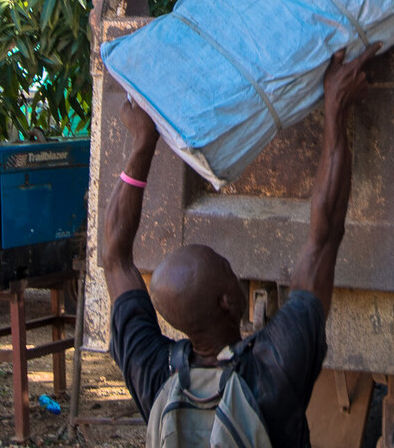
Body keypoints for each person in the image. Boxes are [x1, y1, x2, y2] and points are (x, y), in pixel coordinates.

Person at [101, 45, 378, 448]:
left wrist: (142, 145)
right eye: (227, 268)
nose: (235, 273)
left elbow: (114, 258)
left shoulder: (153, 375)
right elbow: (324, 235)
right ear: (228, 302)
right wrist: (335, 112)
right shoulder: (271, 372)